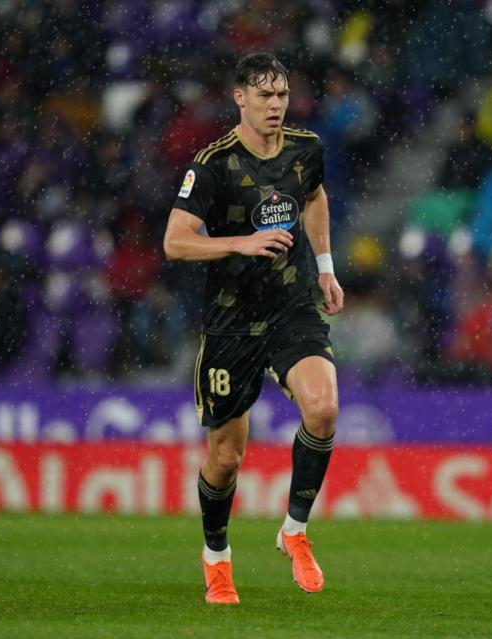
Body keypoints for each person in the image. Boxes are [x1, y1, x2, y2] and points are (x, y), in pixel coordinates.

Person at [163, 52, 344, 604]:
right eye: (263, 95)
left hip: (291, 308)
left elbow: (313, 197)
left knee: (324, 407)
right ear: (239, 97)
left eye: (282, 95)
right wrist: (239, 242)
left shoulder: (305, 149)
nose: (275, 105)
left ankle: (294, 530)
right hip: (232, 320)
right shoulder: (213, 164)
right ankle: (216, 556)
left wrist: (326, 266)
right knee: (226, 458)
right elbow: (174, 241)